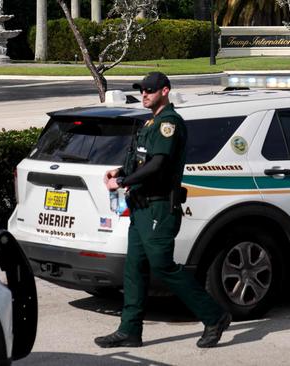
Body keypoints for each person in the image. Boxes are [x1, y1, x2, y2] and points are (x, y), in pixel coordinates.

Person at [95, 71, 232, 349]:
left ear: (165, 91)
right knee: (134, 269)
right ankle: (129, 330)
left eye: (150, 90)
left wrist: (122, 182)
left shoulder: (169, 124)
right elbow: (143, 161)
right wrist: (121, 171)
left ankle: (214, 316)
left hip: (159, 207)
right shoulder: (151, 122)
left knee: (163, 266)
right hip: (141, 207)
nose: (144, 94)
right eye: (142, 90)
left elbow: (158, 164)